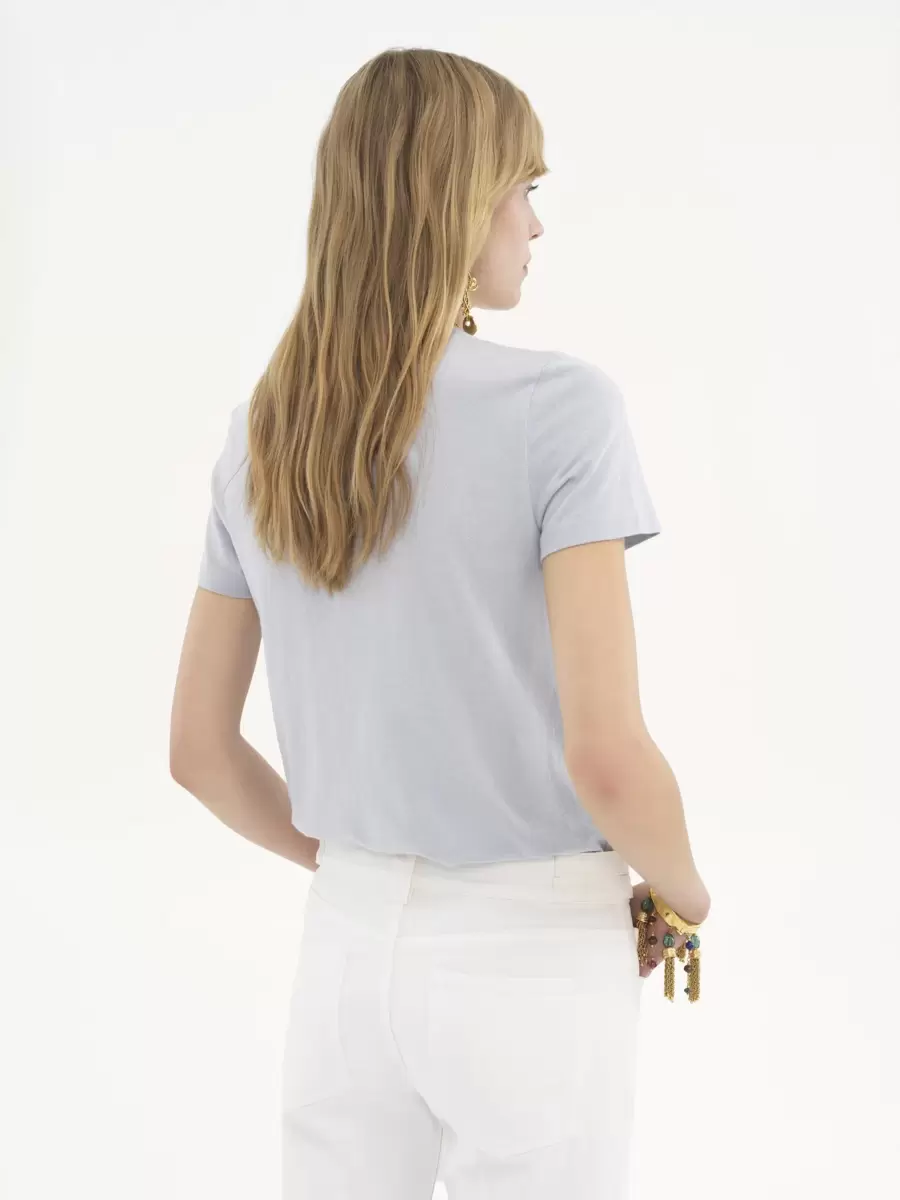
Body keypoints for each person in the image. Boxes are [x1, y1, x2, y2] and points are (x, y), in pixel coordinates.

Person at [169, 46, 712, 1200]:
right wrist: (683, 894)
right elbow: (608, 755)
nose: (535, 223)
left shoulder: (261, 437)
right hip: (532, 953)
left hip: (344, 952)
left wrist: (366, 870)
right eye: (524, 187)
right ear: (456, 200)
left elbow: (199, 754)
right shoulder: (561, 410)